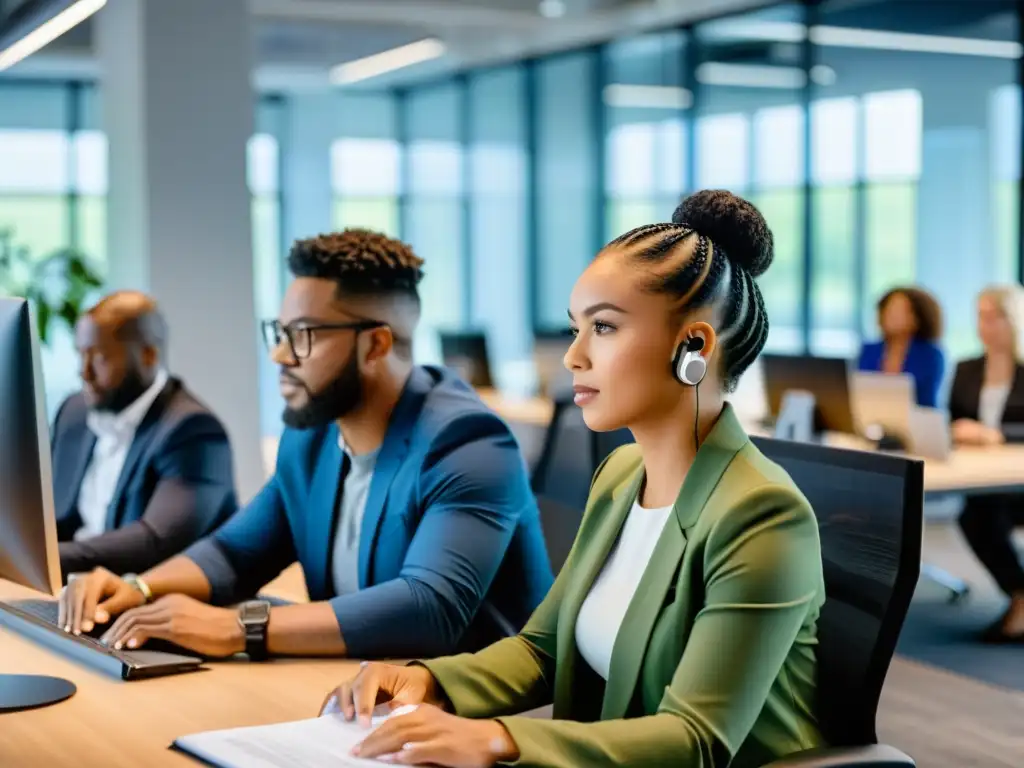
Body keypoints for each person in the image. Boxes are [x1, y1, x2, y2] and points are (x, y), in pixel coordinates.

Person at [322, 192, 827, 768]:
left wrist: (500, 739)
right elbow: (544, 650)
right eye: (575, 330)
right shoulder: (620, 475)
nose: (573, 358)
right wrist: (425, 680)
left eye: (604, 327)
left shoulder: (761, 514)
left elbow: (697, 740)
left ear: (693, 345)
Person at [57, 229, 552, 661]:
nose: (279, 354)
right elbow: (235, 553)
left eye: (303, 335)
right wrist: (137, 588)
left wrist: (238, 627)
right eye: (280, 332)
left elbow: (427, 607)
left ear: (375, 345)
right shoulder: (313, 435)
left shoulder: (468, 442)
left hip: (483, 723)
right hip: (363, 697)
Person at [50, 291, 236, 577]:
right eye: (80, 354)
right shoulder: (73, 411)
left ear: (149, 355)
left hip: (156, 600)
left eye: (99, 358)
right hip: (70, 588)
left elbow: (154, 542)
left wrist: (49, 559)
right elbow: (48, 515)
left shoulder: (194, 431)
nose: (84, 372)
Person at [950, 284, 1024, 643]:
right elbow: (952, 418)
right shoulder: (966, 368)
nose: (986, 325)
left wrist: (998, 435)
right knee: (975, 512)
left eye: (994, 317)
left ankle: (1021, 598)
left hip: (1018, 480)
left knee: (985, 512)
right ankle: (1020, 593)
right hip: (980, 474)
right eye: (981, 316)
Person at [858, 286, 945, 407]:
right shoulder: (869, 350)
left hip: (917, 420)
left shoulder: (930, 355)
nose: (891, 315)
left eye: (899, 311)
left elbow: (926, 401)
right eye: (888, 309)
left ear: (916, 318)